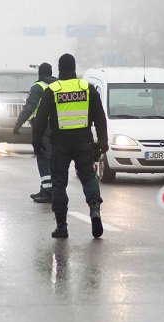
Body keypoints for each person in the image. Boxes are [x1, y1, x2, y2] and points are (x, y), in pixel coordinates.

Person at [31, 53, 108, 239]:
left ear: (59, 69)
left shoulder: (53, 90)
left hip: (60, 145)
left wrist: (37, 143)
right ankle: (95, 209)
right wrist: (103, 141)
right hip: (84, 143)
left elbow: (40, 120)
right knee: (89, 178)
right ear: (74, 68)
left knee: (59, 184)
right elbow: (100, 116)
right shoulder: (87, 88)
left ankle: (62, 226)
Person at [12, 62, 58, 203]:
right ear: (51, 73)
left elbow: (29, 108)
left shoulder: (38, 87)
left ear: (40, 73)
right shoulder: (58, 86)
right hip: (58, 126)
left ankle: (47, 191)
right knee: (52, 158)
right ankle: (48, 189)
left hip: (42, 126)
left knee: (43, 157)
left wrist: (18, 124)